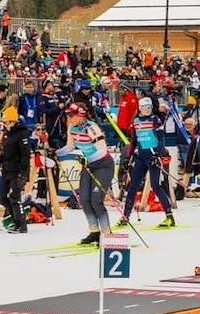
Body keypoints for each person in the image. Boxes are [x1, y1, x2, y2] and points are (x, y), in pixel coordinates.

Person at [120, 91, 176, 228]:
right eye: (144, 108)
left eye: (149, 107)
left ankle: (169, 216)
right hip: (141, 158)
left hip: (153, 157)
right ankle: (125, 217)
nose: (147, 110)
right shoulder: (136, 121)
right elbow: (133, 142)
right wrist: (128, 158)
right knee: (132, 187)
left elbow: (161, 140)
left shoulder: (155, 120)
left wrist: (157, 155)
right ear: (140, 108)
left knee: (156, 186)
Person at [64, 102, 115, 238]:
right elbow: (69, 147)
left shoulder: (92, 128)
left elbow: (102, 150)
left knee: (96, 200)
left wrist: (87, 158)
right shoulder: (71, 128)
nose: (69, 118)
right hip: (89, 166)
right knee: (84, 199)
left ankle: (107, 233)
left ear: (80, 115)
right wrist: (55, 153)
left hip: (103, 165)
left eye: (71, 116)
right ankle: (94, 231)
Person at [0, 112, 35, 234]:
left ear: (13, 122)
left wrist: (23, 174)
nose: (5, 125)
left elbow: (25, 156)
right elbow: (6, 152)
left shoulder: (22, 134)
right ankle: (14, 218)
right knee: (0, 196)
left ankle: (21, 225)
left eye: (6, 122)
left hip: (17, 171)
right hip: (7, 170)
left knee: (14, 197)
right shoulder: (8, 134)